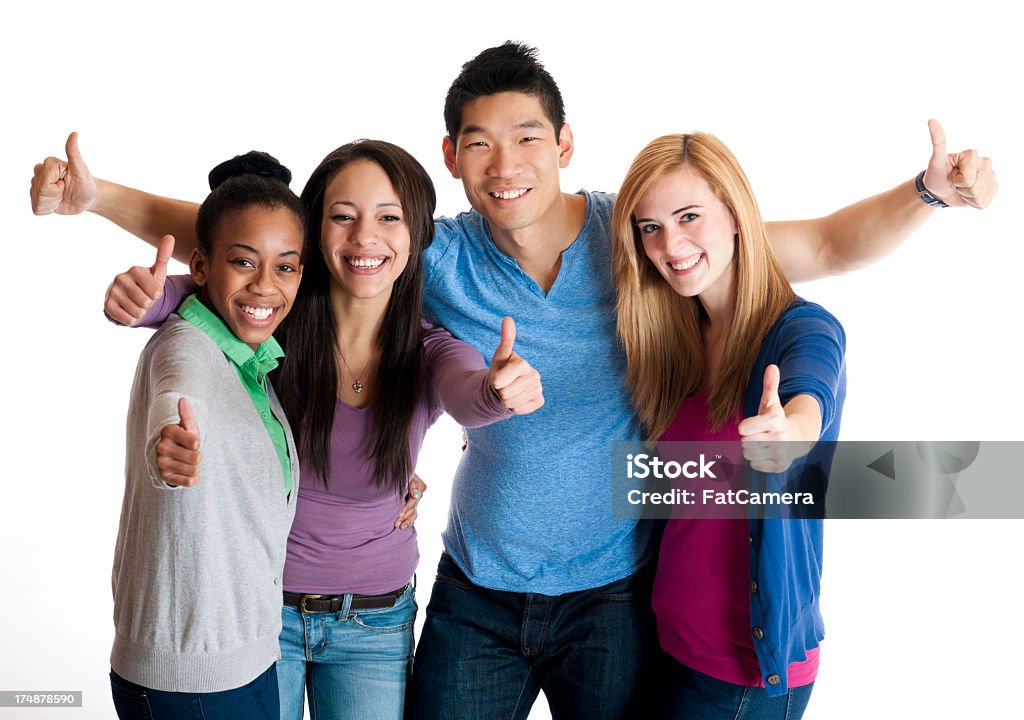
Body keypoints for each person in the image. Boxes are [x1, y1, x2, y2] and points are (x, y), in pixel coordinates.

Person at [30, 42, 996, 720]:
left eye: (528, 137)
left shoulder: (639, 237)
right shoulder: (430, 252)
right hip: (476, 593)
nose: (506, 164)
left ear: (565, 143)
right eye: (479, 144)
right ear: (451, 158)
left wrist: (929, 194)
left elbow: (816, 246)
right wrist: (100, 201)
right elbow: (263, 234)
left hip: (613, 595)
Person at [99, 140, 544, 720]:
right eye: (342, 217)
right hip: (261, 613)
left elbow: (469, 391)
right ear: (315, 235)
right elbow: (204, 294)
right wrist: (144, 299)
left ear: (415, 237)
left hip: (375, 622)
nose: (365, 238)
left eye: (389, 218)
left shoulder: (427, 347)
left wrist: (499, 391)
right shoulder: (275, 317)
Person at [611, 131, 846, 719]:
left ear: (737, 216)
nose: (671, 244)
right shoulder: (675, 341)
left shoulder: (801, 329)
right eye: (651, 228)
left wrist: (790, 431)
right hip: (665, 647)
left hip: (742, 673)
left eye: (690, 216)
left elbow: (809, 395)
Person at [109, 151, 306, 720]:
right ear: (200, 265)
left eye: (286, 266)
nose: (266, 286)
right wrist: (165, 446)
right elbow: (176, 394)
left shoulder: (252, 360)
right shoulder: (187, 347)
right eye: (244, 262)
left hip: (243, 658)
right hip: (193, 680)